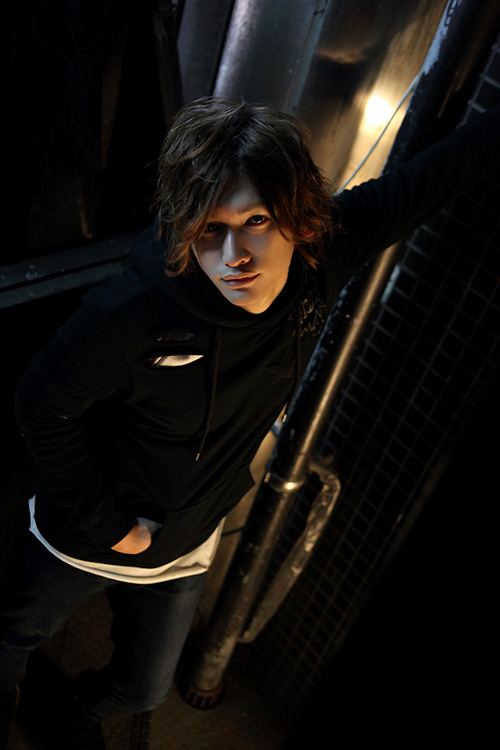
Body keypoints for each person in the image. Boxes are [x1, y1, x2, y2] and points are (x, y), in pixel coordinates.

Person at [0, 96, 499, 749]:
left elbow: (428, 179)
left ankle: (72, 711)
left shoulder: (319, 259)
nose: (235, 253)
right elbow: (39, 403)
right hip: (90, 528)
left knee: (143, 689)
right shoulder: (131, 311)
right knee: (8, 636)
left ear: (296, 215)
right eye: (211, 228)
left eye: (257, 220)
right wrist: (110, 524)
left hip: (188, 536)